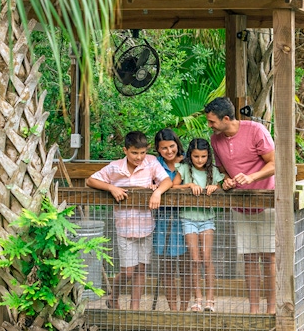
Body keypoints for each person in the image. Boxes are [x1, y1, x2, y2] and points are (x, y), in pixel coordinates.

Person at [204, 97, 276, 314]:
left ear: (226, 118)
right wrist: (226, 179)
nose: (210, 126)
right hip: (240, 205)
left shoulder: (256, 130)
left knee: (269, 256)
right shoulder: (215, 140)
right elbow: (223, 168)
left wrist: (252, 177)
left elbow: (275, 162)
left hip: (267, 201)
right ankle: (254, 309)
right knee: (249, 257)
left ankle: (271, 309)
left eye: (212, 121)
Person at [86, 131, 172, 310]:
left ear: (147, 150)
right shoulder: (115, 167)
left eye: (142, 153)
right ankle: (113, 296)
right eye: (134, 153)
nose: (139, 157)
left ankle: (135, 308)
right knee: (128, 271)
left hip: (146, 226)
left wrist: (157, 192)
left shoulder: (151, 162)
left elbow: (166, 181)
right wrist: (111, 187)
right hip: (124, 227)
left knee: (141, 268)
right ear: (125, 150)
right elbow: (90, 180)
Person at [173, 138, 225, 312]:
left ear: (208, 156)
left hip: (207, 219)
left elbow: (221, 185)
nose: (200, 160)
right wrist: (188, 185)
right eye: (196, 156)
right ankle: (198, 298)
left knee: (206, 257)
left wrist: (214, 187)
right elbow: (173, 187)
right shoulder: (184, 169)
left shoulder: (213, 171)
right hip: (188, 218)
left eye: (203, 156)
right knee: (195, 259)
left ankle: (210, 299)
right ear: (190, 155)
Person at [152, 128, 190, 311]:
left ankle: (184, 309)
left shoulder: (188, 161)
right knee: (166, 268)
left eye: (172, 146)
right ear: (158, 149)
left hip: (185, 217)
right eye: (164, 148)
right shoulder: (154, 163)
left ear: (177, 144)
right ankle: (173, 310)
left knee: (186, 267)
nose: (169, 151)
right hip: (163, 219)